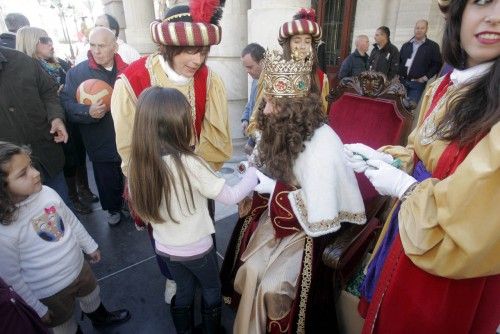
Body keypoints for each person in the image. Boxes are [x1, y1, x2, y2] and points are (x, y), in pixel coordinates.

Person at [344, 0, 500, 332]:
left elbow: (477, 218)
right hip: (412, 227)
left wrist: (406, 188)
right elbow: (422, 152)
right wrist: (389, 158)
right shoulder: (446, 84)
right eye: (484, 1)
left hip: (448, 263)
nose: (496, 17)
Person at [220, 49, 366, 334]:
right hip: (278, 219)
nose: (265, 111)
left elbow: (321, 212)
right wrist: (252, 174)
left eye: (273, 104)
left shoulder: (322, 142)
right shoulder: (279, 127)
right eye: (267, 102)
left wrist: (274, 188)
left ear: (292, 109)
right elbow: (261, 163)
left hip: (309, 231)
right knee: (249, 271)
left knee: (273, 289)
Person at [111, 0, 231, 304]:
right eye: (191, 50)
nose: (198, 59)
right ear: (169, 45)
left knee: (201, 226)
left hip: (196, 175)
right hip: (154, 176)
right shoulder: (133, 80)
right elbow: (128, 143)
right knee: (161, 235)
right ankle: (171, 277)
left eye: (203, 51)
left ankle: (203, 269)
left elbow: (217, 133)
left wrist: (193, 172)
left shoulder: (210, 79)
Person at [129, 86, 257, 333]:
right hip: (197, 248)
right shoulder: (190, 163)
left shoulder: (137, 164)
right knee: (211, 288)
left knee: (183, 289)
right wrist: (253, 172)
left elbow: (142, 211)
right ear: (178, 126)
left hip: (165, 247)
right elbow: (230, 196)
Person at [0, 141, 130, 334]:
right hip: (49, 291)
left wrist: (89, 246)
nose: (35, 173)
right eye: (23, 173)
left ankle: (100, 318)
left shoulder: (47, 193)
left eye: (31, 166)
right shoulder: (5, 231)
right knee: (63, 324)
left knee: (92, 294)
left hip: (78, 267)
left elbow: (71, 221)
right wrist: (37, 308)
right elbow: (12, 278)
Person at [16, 26, 97, 215]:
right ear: (31, 42)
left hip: (71, 118)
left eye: (49, 39)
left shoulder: (59, 63)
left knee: (78, 156)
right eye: (43, 40)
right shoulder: (26, 69)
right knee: (66, 161)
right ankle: (73, 198)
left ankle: (84, 189)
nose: (50, 43)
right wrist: (54, 97)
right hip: (51, 127)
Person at [60, 27, 127, 226]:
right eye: (92, 45)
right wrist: (86, 112)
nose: (96, 51)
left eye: (102, 46)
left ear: (114, 47)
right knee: (106, 178)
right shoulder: (76, 73)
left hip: (127, 135)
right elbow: (66, 104)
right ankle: (113, 209)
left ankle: (131, 205)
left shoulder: (128, 68)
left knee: (129, 175)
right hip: (98, 138)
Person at [0, 46, 69, 204]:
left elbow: (49, 92)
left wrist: (56, 118)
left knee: (62, 210)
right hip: (9, 183)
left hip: (47, 159)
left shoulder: (21, 60)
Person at [246, 8, 330, 137]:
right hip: (276, 137)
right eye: (297, 41)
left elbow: (321, 115)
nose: (302, 46)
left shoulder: (320, 78)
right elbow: (258, 115)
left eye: (307, 41)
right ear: (287, 43)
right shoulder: (273, 73)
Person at [399, 20, 442, 104]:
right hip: (402, 83)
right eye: (417, 28)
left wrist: (425, 78)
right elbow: (399, 61)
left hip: (417, 85)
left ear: (426, 30)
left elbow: (437, 65)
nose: (419, 30)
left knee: (409, 109)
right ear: (414, 29)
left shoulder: (433, 46)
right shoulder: (406, 45)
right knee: (397, 107)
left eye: (422, 28)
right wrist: (397, 76)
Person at [75, 14, 140, 65]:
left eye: (101, 26)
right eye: (96, 26)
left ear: (113, 31)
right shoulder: (85, 50)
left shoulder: (129, 51)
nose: (97, 29)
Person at [240, 43, 265, 134]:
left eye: (250, 67)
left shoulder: (271, 84)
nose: (247, 71)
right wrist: (245, 119)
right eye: (245, 67)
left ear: (262, 62)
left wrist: (251, 142)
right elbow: (251, 103)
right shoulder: (255, 79)